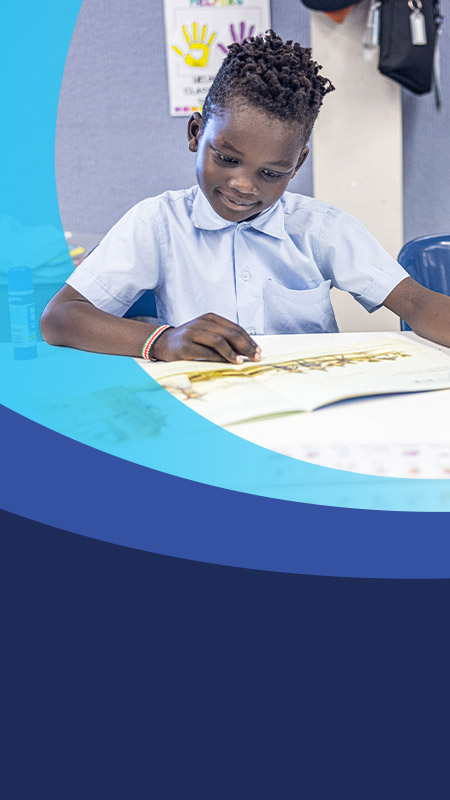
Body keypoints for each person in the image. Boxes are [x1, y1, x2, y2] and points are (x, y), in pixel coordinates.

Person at [41, 31, 450, 364]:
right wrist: (162, 340)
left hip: (309, 405)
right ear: (196, 134)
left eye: (271, 173)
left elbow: (416, 303)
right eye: (227, 158)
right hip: (206, 407)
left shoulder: (320, 229)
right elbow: (60, 316)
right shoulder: (157, 223)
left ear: (297, 163)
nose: (243, 185)